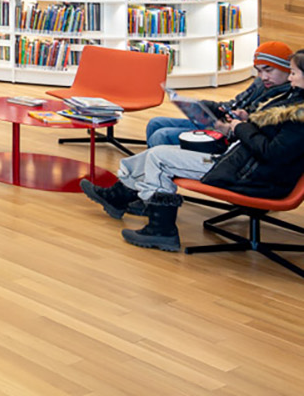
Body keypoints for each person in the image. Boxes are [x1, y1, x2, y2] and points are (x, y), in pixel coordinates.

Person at [80, 49, 304, 252]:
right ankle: (118, 197)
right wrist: (247, 121)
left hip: (252, 176)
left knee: (159, 157)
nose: (290, 77)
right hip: (243, 164)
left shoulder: (299, 114)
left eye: (293, 73)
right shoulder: (294, 100)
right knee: (154, 153)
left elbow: (273, 152)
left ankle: (161, 229)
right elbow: (272, 136)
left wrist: (241, 128)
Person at [145, 41, 294, 146]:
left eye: (268, 70)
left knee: (162, 136)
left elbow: (259, 132)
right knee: (155, 123)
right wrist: (203, 106)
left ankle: (160, 172)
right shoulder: (260, 83)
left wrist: (242, 120)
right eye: (259, 71)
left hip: (231, 136)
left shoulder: (287, 96)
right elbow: (234, 103)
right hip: (221, 124)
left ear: (286, 68)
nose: (263, 77)